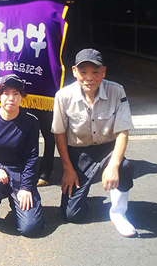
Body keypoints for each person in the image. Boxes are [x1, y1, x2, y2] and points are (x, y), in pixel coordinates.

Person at [52, 48, 136, 237]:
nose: (89, 78)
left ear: (103, 72)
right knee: (72, 215)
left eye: (95, 72)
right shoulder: (63, 96)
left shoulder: (116, 91)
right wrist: (67, 169)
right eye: (83, 72)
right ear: (74, 71)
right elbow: (59, 134)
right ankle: (87, 196)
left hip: (106, 150)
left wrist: (114, 165)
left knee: (124, 167)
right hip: (78, 155)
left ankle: (118, 213)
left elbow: (122, 131)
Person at [0, 74, 46, 237]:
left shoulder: (30, 121)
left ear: (22, 96)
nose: (11, 98)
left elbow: (32, 156)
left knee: (31, 228)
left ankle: (19, 206)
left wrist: (26, 187)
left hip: (20, 173)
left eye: (16, 93)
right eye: (6, 93)